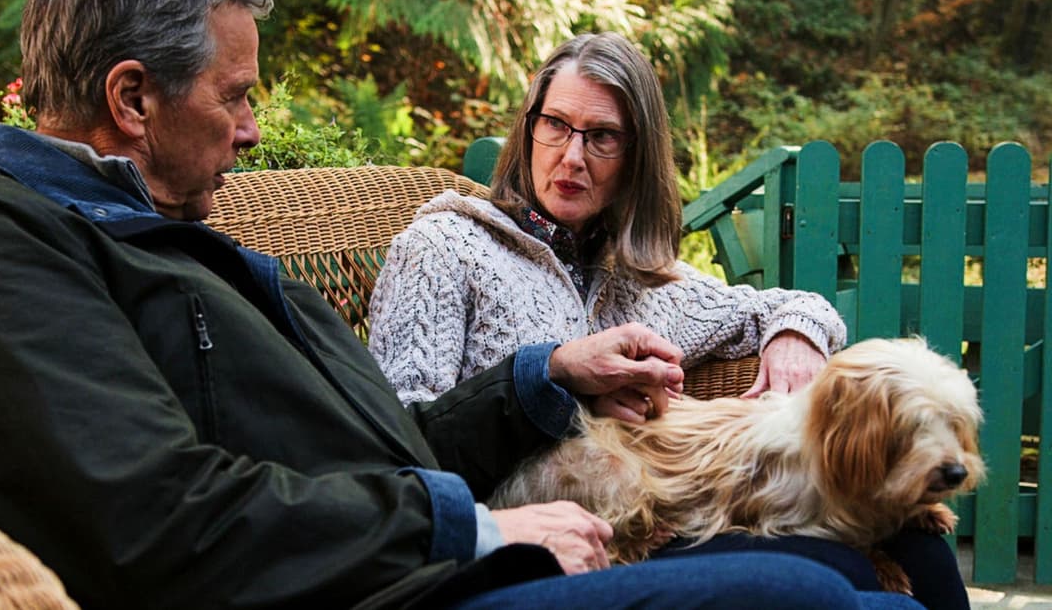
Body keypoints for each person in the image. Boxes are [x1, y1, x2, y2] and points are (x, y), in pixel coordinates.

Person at [0, 0, 922, 609]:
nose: (250, 131)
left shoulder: (155, 228)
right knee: (806, 595)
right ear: (134, 98)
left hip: (418, 553)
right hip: (385, 589)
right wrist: (475, 525)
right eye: (235, 96)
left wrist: (538, 380)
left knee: (879, 557)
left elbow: (385, 441)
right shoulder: (7, 249)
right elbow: (161, 520)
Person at [367, 31, 968, 609]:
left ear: (636, 157)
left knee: (922, 546)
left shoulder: (642, 279)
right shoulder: (446, 247)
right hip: (533, 532)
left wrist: (795, 335)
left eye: (603, 137)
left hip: (661, 512)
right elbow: (395, 439)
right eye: (555, 125)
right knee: (846, 567)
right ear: (528, 128)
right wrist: (557, 386)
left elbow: (786, 306)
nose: (571, 157)